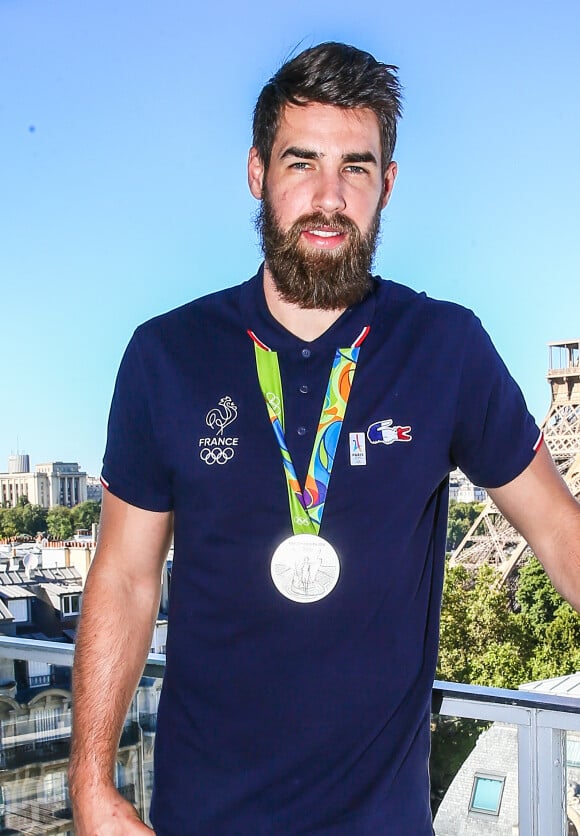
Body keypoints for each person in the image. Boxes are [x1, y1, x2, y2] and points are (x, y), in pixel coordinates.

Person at [69, 42, 580, 835]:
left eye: (357, 167)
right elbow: (125, 577)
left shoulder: (445, 346)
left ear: (389, 185)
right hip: (201, 818)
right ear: (257, 172)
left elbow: (556, 529)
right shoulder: (166, 355)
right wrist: (90, 780)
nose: (328, 196)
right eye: (301, 161)